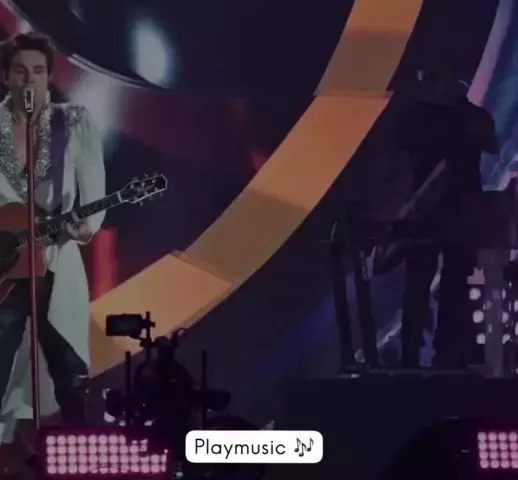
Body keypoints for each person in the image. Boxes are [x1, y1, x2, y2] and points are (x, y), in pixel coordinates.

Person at [0, 33, 105, 472]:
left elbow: (94, 191)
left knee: (66, 368)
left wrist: (84, 228)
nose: (30, 81)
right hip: (5, 270)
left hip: (55, 264)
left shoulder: (72, 123)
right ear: (6, 76)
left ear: (49, 77)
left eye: (39, 72)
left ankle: (78, 461)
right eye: (21, 71)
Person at [396, 55, 499, 368]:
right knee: (418, 281)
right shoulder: (417, 116)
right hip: (424, 210)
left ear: (454, 78)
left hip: (462, 210)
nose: (436, 85)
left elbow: (492, 144)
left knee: (455, 282)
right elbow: (398, 154)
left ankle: (447, 351)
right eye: (431, 77)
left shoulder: (473, 116)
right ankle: (410, 353)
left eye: (440, 76)